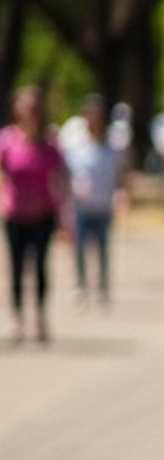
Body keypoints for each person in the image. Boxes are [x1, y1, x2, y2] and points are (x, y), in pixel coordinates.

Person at [0, 88, 69, 343]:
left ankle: (40, 316)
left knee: (39, 266)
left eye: (33, 108)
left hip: (43, 214)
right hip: (14, 213)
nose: (29, 113)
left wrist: (64, 217)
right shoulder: (7, 140)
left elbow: (61, 180)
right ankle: (16, 316)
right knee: (16, 267)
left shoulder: (50, 144)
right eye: (25, 107)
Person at [63, 94, 129, 308]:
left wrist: (122, 194)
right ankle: (81, 285)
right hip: (81, 205)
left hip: (103, 204)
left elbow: (121, 174)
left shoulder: (112, 145)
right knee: (80, 247)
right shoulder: (74, 142)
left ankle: (102, 287)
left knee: (102, 248)